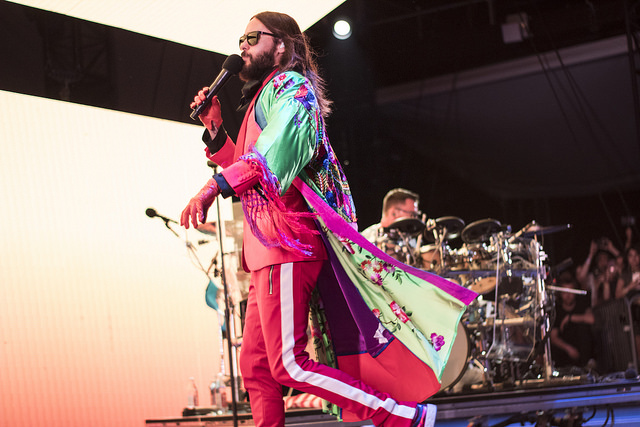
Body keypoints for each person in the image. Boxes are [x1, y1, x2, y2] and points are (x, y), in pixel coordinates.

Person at [180, 11, 476, 427]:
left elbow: (267, 163)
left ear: (281, 46)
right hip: (268, 250)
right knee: (256, 367)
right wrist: (215, 129)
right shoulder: (265, 96)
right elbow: (250, 168)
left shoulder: (290, 88)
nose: (243, 46)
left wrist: (212, 187)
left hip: (286, 244)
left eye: (253, 37)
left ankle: (399, 415)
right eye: (241, 39)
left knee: (288, 364)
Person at [361, 189, 424, 266]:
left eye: (416, 215)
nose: (415, 219)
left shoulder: (410, 240)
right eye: (412, 214)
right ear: (394, 213)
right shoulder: (365, 240)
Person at [550, 274, 595, 370]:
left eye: (571, 292)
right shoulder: (556, 310)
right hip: (565, 354)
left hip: (584, 352)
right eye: (565, 292)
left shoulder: (581, 303)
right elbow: (553, 338)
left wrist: (570, 318)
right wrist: (568, 349)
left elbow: (591, 319)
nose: (568, 296)